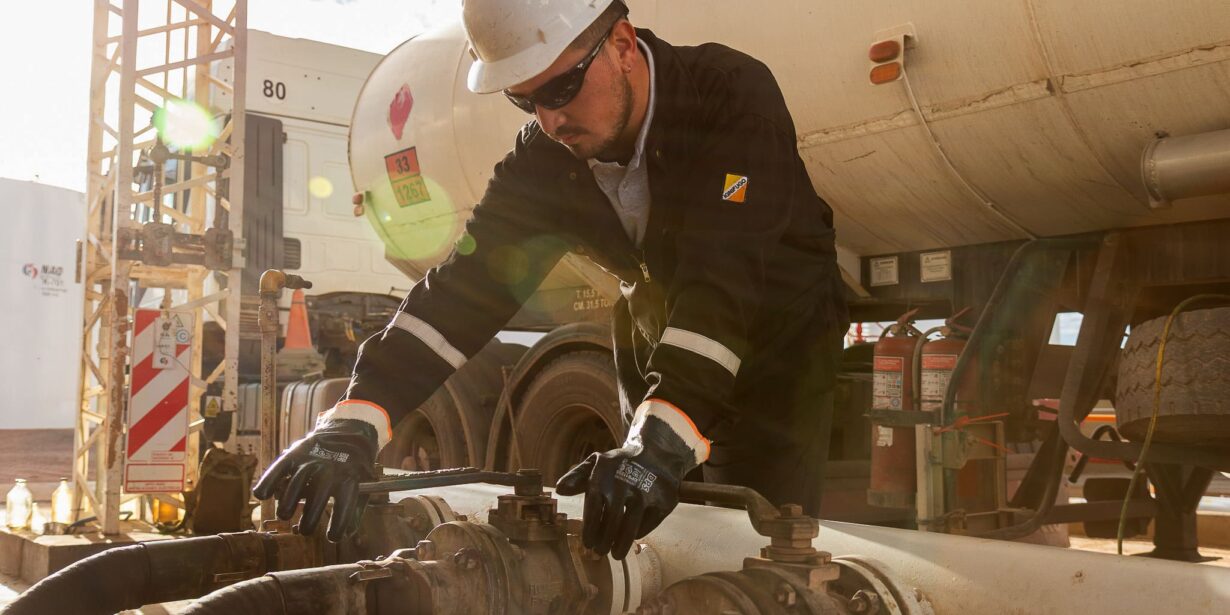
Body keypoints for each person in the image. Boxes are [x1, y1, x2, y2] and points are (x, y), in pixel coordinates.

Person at [254, 0, 848, 560]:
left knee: (754, 548)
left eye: (562, 87)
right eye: (525, 100)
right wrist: (358, 415)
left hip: (774, 354)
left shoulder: (731, 95)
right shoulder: (545, 158)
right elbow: (467, 287)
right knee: (658, 543)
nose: (550, 118)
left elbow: (724, 278)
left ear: (620, 43)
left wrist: (662, 442)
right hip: (658, 342)